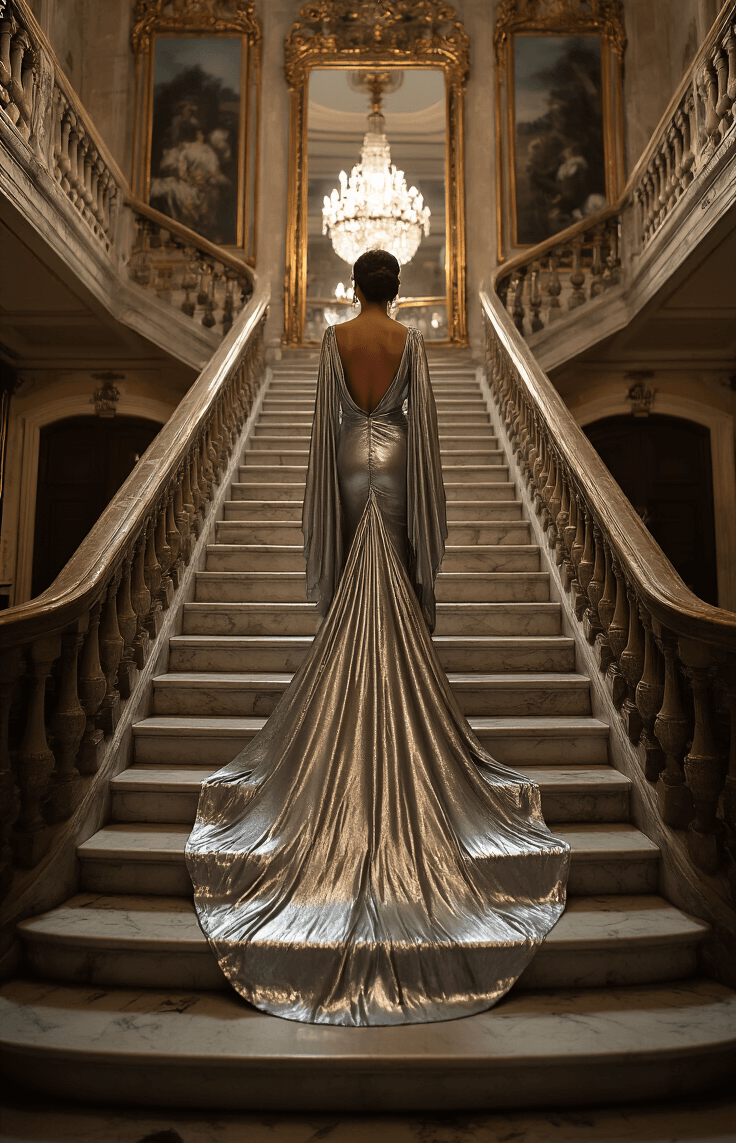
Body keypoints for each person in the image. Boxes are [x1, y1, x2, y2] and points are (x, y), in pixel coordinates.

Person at [186, 248, 569, 1027]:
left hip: (348, 470)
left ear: (354, 287)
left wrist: (330, 492)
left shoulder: (333, 341)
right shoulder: (409, 343)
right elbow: (419, 429)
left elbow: (326, 427)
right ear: (395, 291)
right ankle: (398, 691)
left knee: (355, 594)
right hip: (393, 470)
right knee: (393, 590)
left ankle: (351, 698)